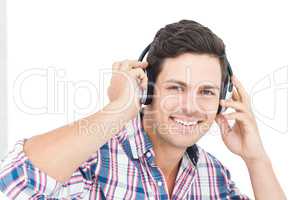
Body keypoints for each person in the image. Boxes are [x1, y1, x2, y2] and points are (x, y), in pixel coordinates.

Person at [0, 19, 286, 199]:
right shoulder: (94, 161)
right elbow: (12, 185)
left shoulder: (214, 175)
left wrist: (256, 158)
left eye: (207, 92)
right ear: (147, 88)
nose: (191, 107)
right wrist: (119, 108)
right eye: (176, 87)